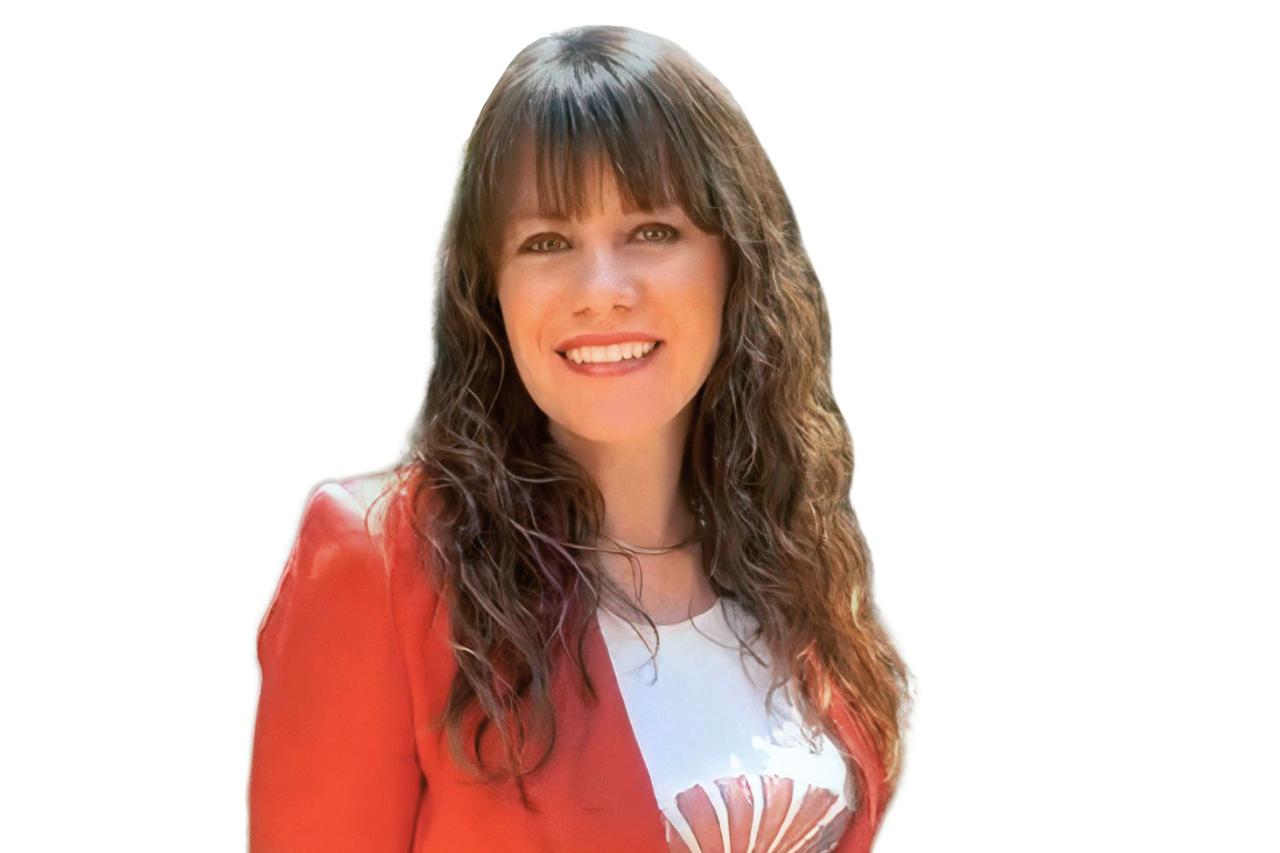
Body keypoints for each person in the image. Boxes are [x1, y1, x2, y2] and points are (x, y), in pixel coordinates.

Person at [248, 24, 911, 853]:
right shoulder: (383, 564)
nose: (602, 291)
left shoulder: (792, 561)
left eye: (652, 231)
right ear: (490, 293)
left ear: (735, 264)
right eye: (547, 243)